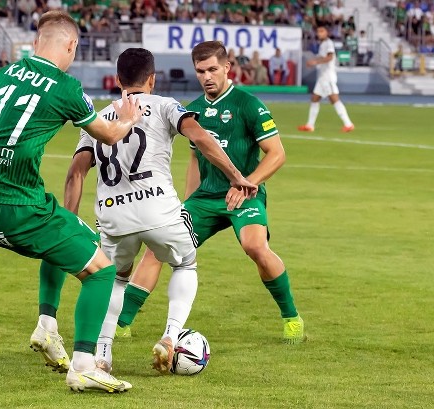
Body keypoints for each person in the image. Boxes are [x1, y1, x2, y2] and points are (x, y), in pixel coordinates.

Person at [0, 10, 146, 393]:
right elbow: (109, 135)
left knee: (64, 233)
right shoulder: (66, 88)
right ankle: (83, 365)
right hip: (19, 208)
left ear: (35, 44)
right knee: (102, 271)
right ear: (72, 45)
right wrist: (128, 116)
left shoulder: (7, 73)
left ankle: (47, 327)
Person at [63, 48, 257, 375]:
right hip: (158, 209)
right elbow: (200, 136)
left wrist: (68, 222)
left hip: (113, 216)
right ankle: (170, 335)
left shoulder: (97, 118)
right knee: (185, 264)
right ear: (152, 79)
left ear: (118, 80)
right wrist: (235, 175)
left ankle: (103, 354)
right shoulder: (165, 105)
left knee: (114, 279)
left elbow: (76, 172)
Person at [114, 40, 307, 346]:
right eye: (201, 71)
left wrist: (247, 183)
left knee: (255, 247)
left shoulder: (248, 104)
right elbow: (195, 157)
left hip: (245, 194)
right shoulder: (194, 110)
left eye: (213, 69)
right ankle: (122, 323)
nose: (207, 76)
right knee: (158, 248)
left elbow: (277, 153)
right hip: (205, 198)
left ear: (227, 67)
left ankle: (291, 318)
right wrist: (188, 201)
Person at [298, 25, 354, 132]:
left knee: (334, 99)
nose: (319, 33)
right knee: (315, 99)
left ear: (327, 32)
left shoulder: (328, 43)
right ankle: (310, 125)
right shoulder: (322, 44)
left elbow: (330, 57)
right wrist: (313, 61)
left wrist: (315, 62)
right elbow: (321, 57)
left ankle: (348, 124)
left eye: (321, 31)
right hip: (322, 77)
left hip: (328, 76)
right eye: (318, 31)